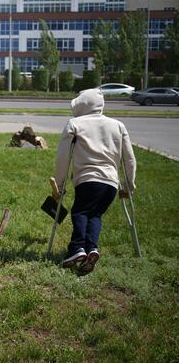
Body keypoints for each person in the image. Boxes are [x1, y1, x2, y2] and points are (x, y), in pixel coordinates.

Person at [54, 88, 136, 274]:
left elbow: (62, 158)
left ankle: (77, 249)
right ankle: (92, 249)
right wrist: (129, 185)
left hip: (88, 179)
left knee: (80, 211)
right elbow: (129, 159)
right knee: (95, 214)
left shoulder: (75, 124)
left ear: (83, 104)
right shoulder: (117, 125)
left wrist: (59, 185)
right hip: (111, 184)